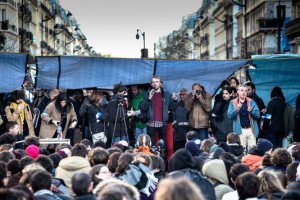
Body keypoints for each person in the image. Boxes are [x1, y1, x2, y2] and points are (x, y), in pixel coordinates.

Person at [140, 76, 176, 158]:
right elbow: (143, 108)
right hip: (150, 124)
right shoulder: (147, 94)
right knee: (151, 148)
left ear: (160, 83)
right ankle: (152, 166)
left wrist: (174, 100)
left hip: (162, 124)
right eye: (153, 82)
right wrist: (149, 98)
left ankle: (163, 167)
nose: (155, 84)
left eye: (156, 82)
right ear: (151, 84)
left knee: (163, 148)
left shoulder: (167, 94)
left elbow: (172, 108)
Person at [227, 84, 260, 151]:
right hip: (240, 130)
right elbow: (229, 116)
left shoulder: (251, 101)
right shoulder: (233, 102)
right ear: (238, 92)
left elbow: (258, 115)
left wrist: (251, 111)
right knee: (242, 151)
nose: (244, 92)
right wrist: (237, 109)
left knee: (253, 151)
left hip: (251, 130)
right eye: (242, 90)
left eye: (245, 90)